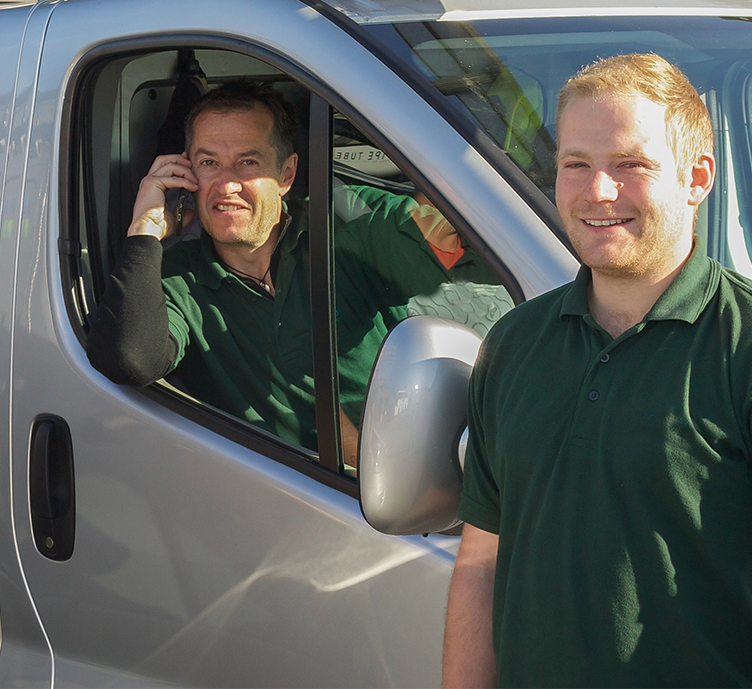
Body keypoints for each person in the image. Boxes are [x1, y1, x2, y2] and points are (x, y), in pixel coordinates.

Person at [443, 53, 752, 688]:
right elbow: (481, 563)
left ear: (697, 178)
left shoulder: (741, 343)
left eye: (631, 164)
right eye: (576, 164)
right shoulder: (514, 343)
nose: (597, 192)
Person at [86, 81, 506, 458]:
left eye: (248, 163)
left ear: (286, 174)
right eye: (209, 163)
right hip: (297, 493)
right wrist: (145, 230)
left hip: (424, 467)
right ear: (187, 173)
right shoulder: (177, 279)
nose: (226, 185)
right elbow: (129, 359)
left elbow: (479, 242)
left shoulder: (347, 225)